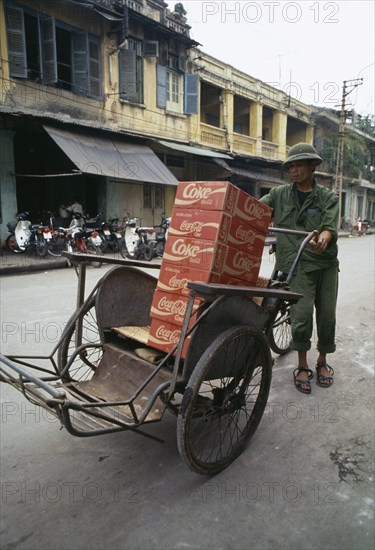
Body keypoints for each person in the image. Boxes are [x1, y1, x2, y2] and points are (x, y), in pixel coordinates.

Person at [260, 143, 339, 394]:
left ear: (312, 166)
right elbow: (257, 209)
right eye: (290, 166)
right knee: (302, 316)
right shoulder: (279, 194)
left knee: (326, 315)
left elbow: (329, 226)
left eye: (299, 165)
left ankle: (323, 360)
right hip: (296, 264)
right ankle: (303, 365)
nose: (294, 170)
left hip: (324, 264)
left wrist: (325, 236)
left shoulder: (328, 197)